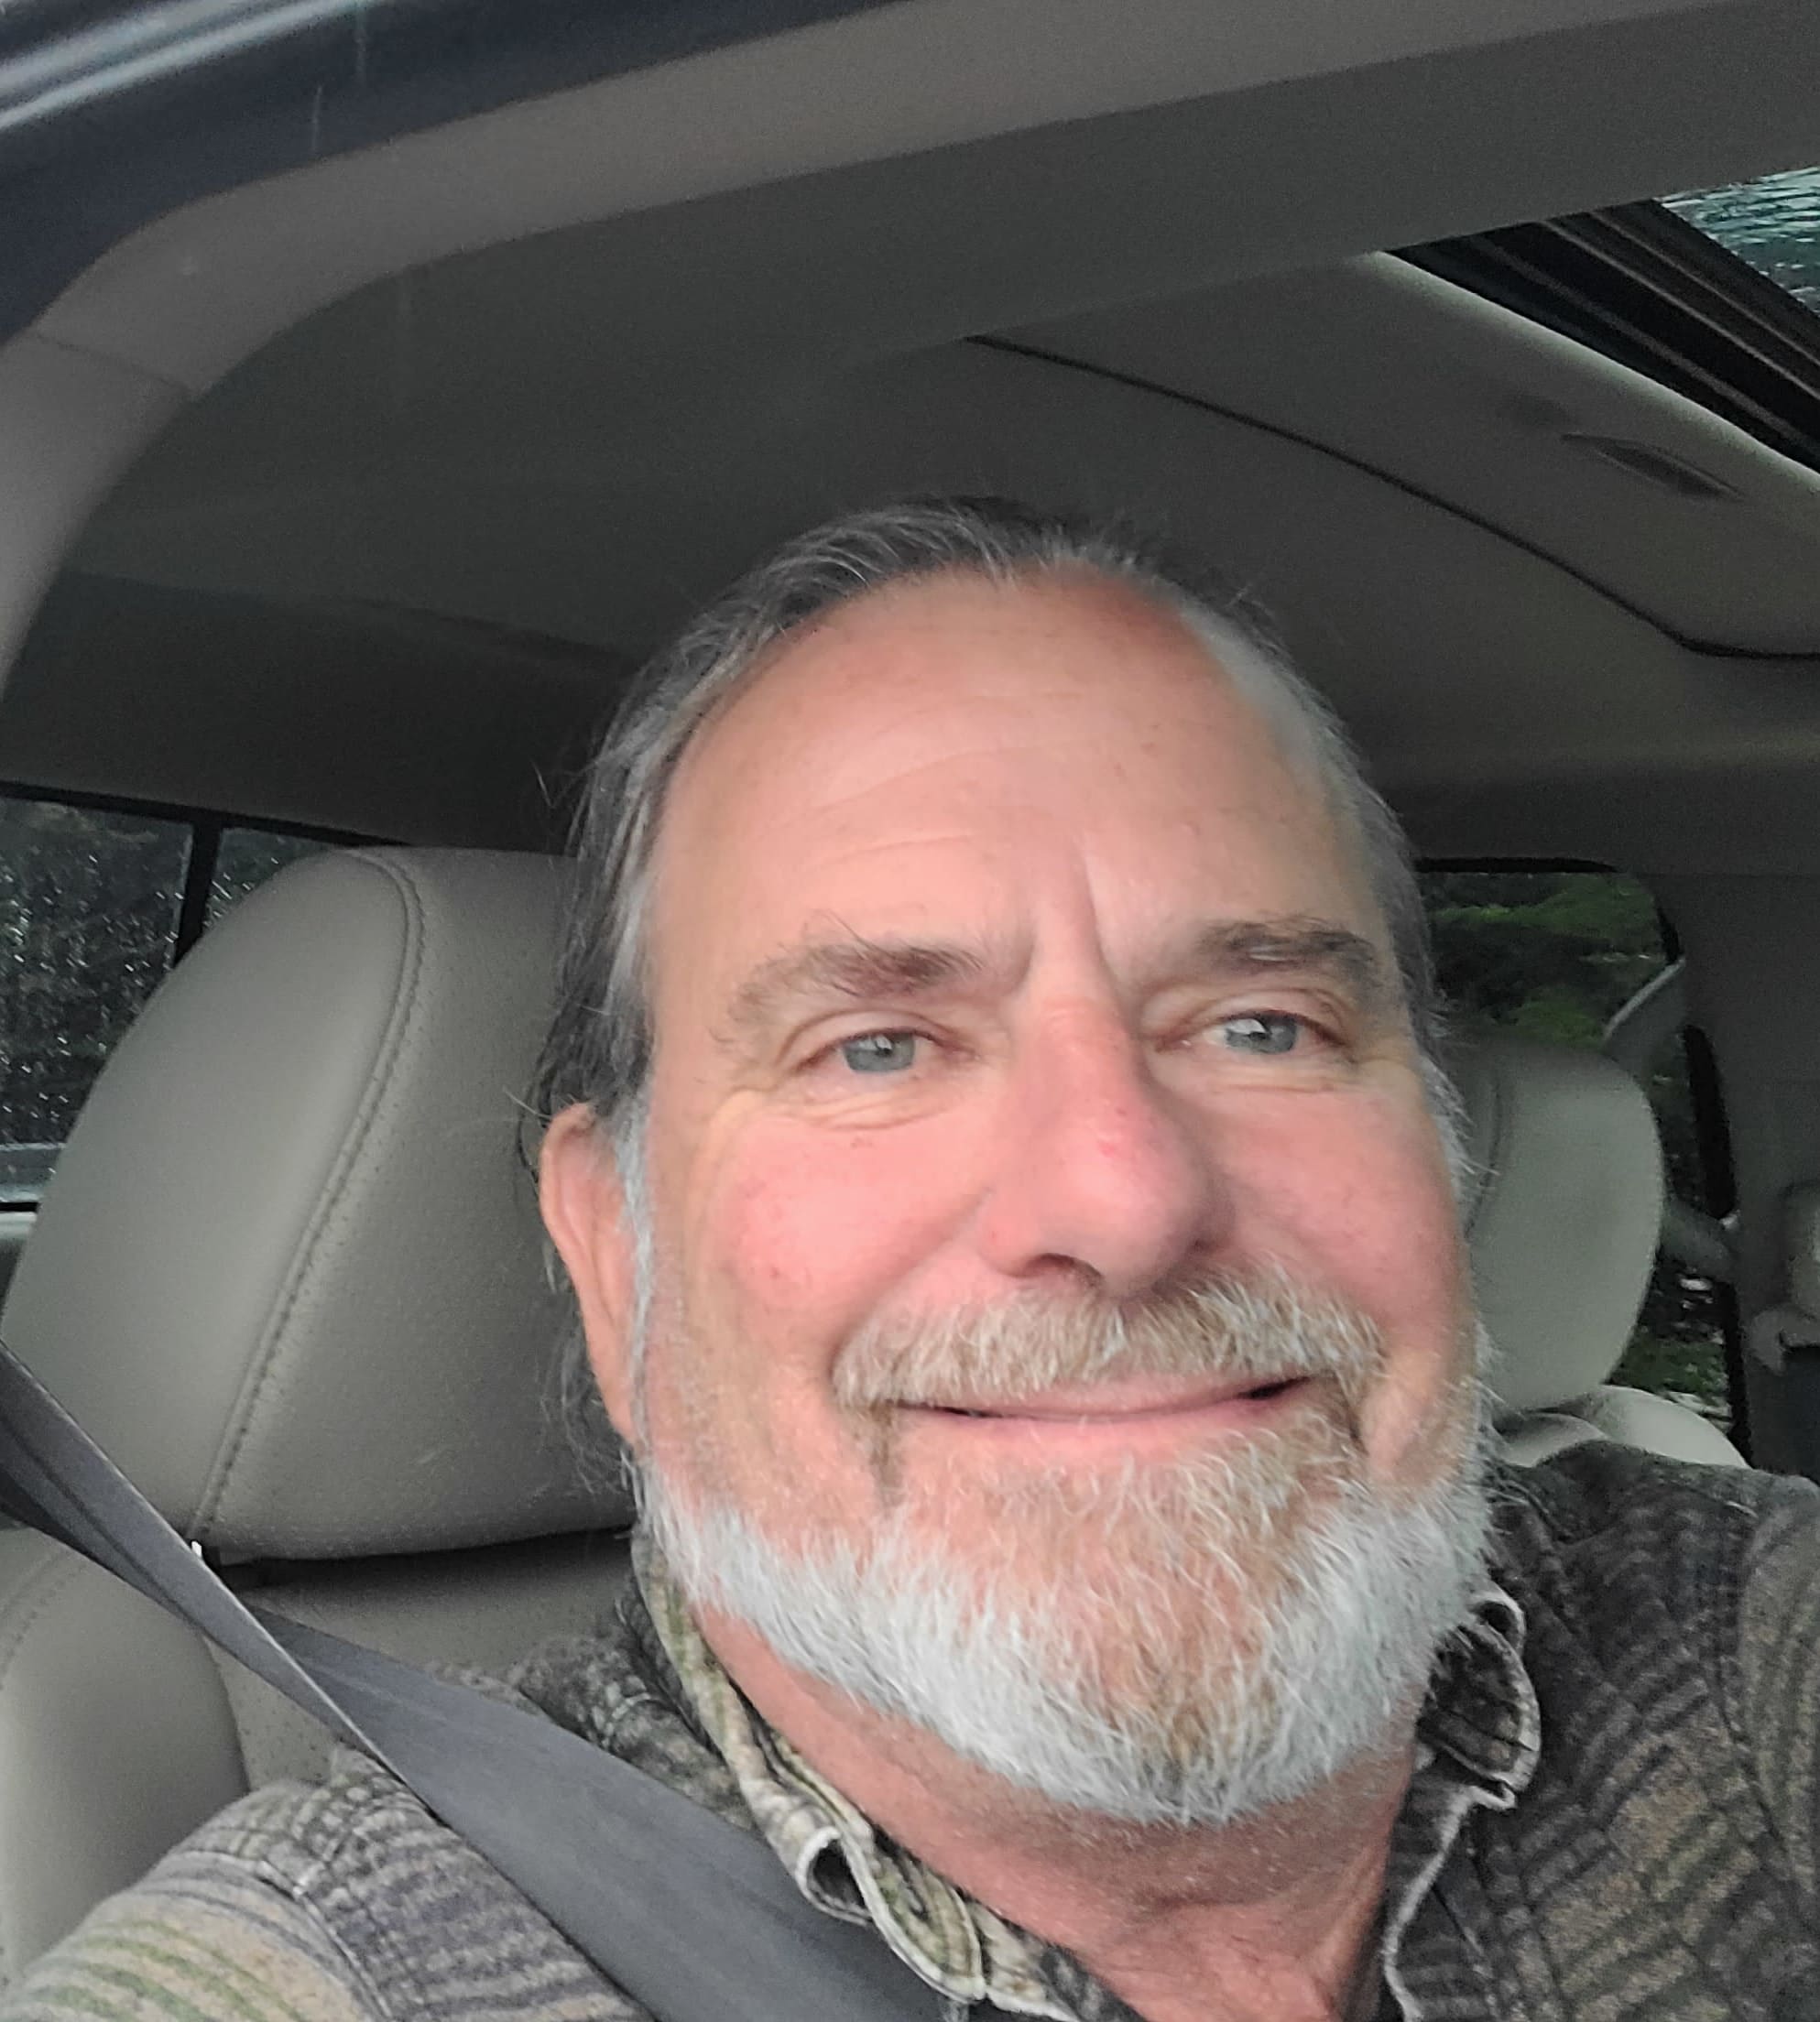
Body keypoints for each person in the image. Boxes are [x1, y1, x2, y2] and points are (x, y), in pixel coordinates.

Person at [6, 498, 1817, 2022]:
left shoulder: (1735, 1629)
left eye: (1261, 1025)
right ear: (617, 1262)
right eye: (876, 1048)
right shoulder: (331, 1968)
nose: (1123, 1201)